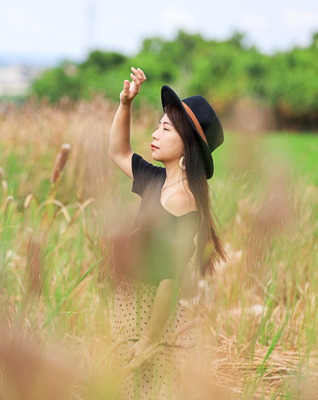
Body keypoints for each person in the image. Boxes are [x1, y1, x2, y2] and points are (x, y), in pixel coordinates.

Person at [107, 66, 228, 399]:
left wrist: (147, 340)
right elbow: (117, 152)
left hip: (150, 311)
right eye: (157, 126)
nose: (155, 134)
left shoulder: (180, 200)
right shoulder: (156, 179)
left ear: (187, 143)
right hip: (130, 301)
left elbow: (168, 281)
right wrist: (126, 104)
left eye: (165, 128)